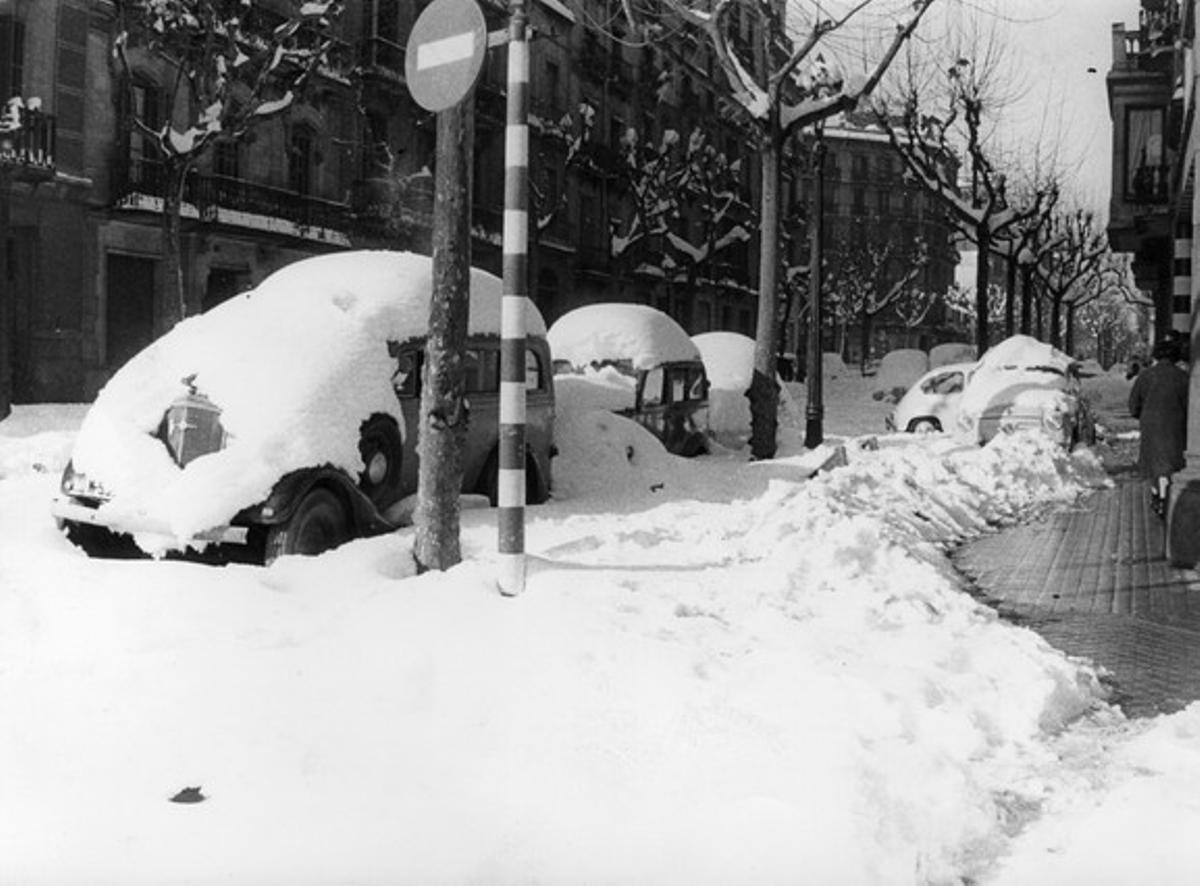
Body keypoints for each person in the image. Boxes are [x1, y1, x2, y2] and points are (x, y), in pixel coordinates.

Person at [1128, 337, 1189, 517]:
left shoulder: (1145, 376)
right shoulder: (1183, 377)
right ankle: (1165, 497)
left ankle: (1157, 496)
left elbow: (1133, 405)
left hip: (1151, 425)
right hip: (1175, 425)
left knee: (1155, 462)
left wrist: (1141, 414)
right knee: (1169, 462)